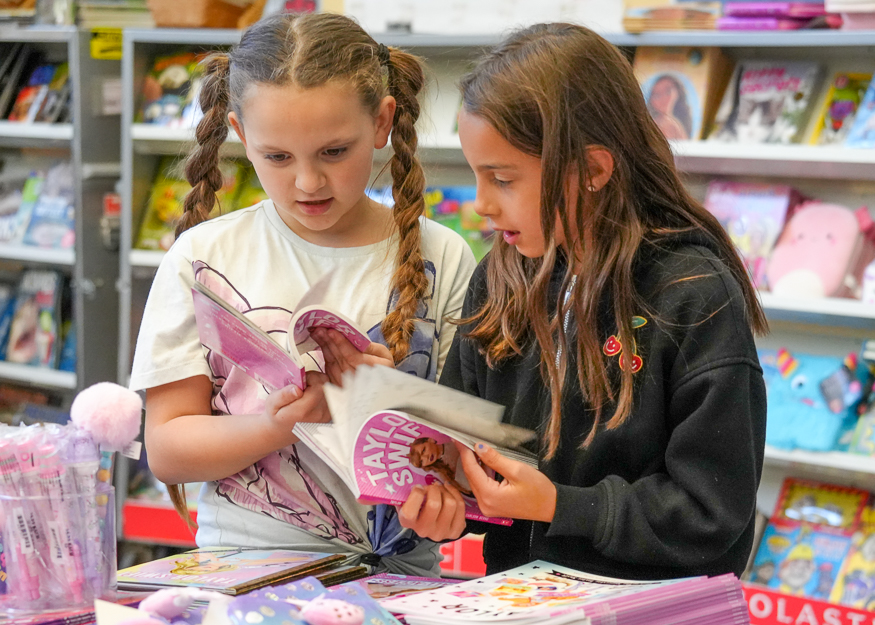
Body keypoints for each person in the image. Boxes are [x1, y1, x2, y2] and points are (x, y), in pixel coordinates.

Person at [398, 22, 767, 581]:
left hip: (648, 610)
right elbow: (466, 448)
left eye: (502, 179)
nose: (480, 207)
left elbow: (711, 513)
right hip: (517, 602)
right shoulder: (500, 279)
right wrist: (448, 496)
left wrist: (559, 506)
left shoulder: (694, 295)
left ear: (593, 170)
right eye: (477, 177)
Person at [130, 12, 476, 576]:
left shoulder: (446, 254)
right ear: (242, 136)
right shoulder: (203, 257)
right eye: (278, 157)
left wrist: (443, 493)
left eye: (335, 152)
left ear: (383, 122)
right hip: (244, 576)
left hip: (402, 581)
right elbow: (167, 449)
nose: (309, 183)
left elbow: (466, 451)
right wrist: (280, 421)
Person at [646, 74, 692, 141]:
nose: (663, 99)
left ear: (678, 93)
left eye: (668, 92)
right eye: (657, 95)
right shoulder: (652, 124)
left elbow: (686, 147)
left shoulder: (676, 125)